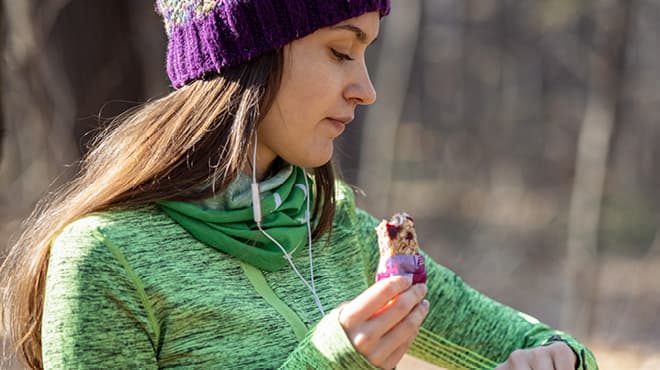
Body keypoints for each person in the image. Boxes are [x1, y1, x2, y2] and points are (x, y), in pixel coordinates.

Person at [0, 1, 598, 369]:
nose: (366, 88)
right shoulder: (105, 259)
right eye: (342, 51)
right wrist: (334, 362)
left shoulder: (349, 239)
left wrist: (557, 361)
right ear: (247, 57)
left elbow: (557, 346)